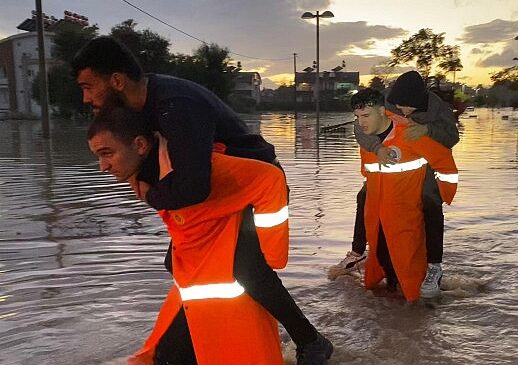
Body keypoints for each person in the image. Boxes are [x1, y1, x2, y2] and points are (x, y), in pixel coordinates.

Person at [73, 36, 332, 364]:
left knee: (246, 267)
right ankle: (187, 345)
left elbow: (194, 187)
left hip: (250, 187)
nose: (85, 97)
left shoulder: (176, 105)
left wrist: (150, 193)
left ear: (116, 81)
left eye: (87, 86)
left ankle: (310, 341)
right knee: (177, 262)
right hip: (215, 192)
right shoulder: (138, 106)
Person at [330, 71, 459, 298]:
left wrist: (427, 130)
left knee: (430, 203)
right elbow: (361, 127)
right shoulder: (384, 101)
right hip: (387, 163)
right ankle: (359, 252)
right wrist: (376, 148)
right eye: (400, 106)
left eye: (410, 108)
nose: (404, 112)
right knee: (365, 198)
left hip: (424, 161)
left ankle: (434, 266)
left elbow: (452, 137)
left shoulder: (438, 108)